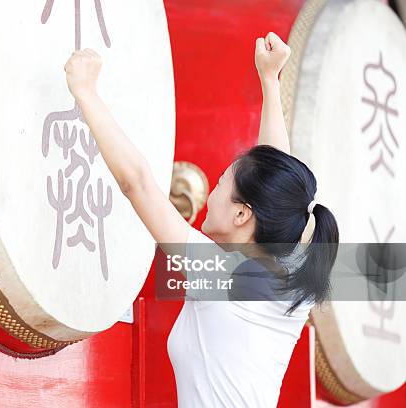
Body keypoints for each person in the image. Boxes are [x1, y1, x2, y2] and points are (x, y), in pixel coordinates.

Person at [63, 31, 339, 407]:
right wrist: (269, 81)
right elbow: (275, 184)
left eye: (222, 183)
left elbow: (138, 184)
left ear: (243, 213)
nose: (211, 194)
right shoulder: (287, 274)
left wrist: (86, 93)